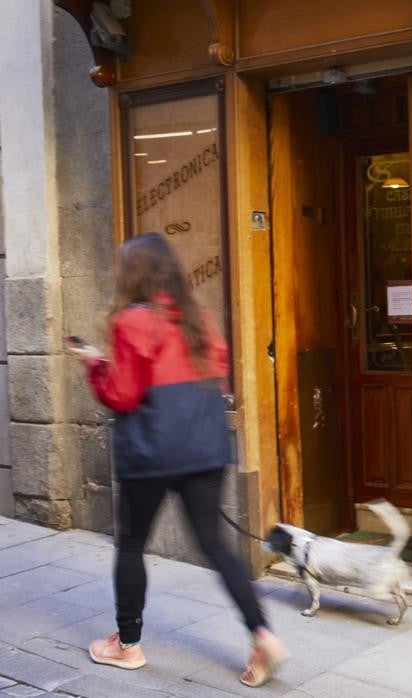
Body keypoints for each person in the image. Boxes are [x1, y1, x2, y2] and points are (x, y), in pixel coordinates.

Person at [67, 233, 288, 688]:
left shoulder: (131, 321)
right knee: (215, 544)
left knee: (130, 545)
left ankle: (127, 645)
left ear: (134, 274)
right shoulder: (198, 319)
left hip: (152, 452)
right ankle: (261, 633)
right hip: (204, 449)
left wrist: (95, 364)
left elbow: (123, 395)